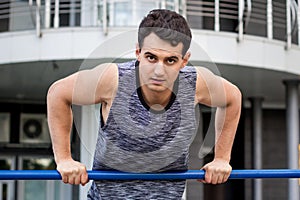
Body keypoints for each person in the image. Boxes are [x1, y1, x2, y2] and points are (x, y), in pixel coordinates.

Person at [47, 9, 241, 199]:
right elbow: (58, 93)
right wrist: (64, 159)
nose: (158, 71)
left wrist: (222, 159)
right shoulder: (113, 80)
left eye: (170, 60)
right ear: (138, 52)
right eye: (151, 57)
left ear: (184, 61)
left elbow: (232, 98)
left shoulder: (195, 84)